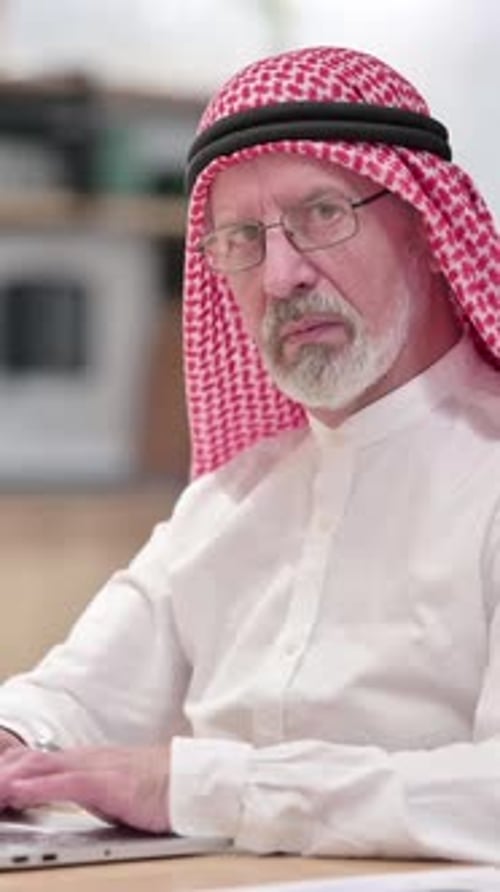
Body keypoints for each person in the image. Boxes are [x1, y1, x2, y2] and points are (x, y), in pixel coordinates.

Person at [0, 45, 499, 862]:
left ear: (425, 226)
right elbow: (73, 698)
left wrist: (198, 787)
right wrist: (14, 738)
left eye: (323, 215)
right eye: (241, 239)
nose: (280, 274)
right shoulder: (231, 500)